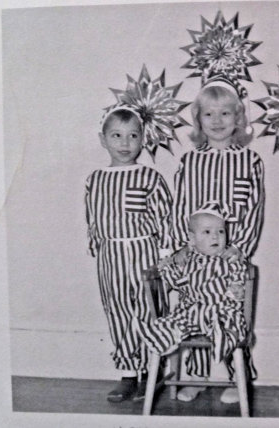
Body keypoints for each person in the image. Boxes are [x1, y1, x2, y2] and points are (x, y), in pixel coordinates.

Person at [171, 78, 264, 403]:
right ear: (198, 120)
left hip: (231, 258)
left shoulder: (249, 161)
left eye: (226, 113)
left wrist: (241, 250)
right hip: (197, 257)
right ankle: (196, 375)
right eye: (209, 114)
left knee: (231, 315)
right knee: (195, 312)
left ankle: (238, 377)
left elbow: (254, 209)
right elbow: (180, 207)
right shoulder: (189, 161)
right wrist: (182, 246)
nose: (218, 121)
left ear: (238, 118)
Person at [84, 104, 173, 402]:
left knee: (150, 312)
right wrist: (97, 245)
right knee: (118, 312)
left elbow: (165, 217)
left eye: (133, 136)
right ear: (103, 139)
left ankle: (153, 368)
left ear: (143, 139)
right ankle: (128, 373)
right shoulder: (95, 179)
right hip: (111, 257)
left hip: (144, 252)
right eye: (117, 135)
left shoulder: (149, 177)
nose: (125, 143)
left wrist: (165, 254)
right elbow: (93, 217)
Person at [134, 204, 248, 398]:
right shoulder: (188, 260)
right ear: (192, 240)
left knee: (229, 326)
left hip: (221, 309)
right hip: (192, 310)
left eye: (221, 231)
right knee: (176, 321)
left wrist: (237, 288)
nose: (215, 237)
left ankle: (235, 377)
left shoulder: (230, 259)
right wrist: (166, 268)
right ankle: (164, 339)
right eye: (207, 232)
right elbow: (178, 282)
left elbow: (240, 276)